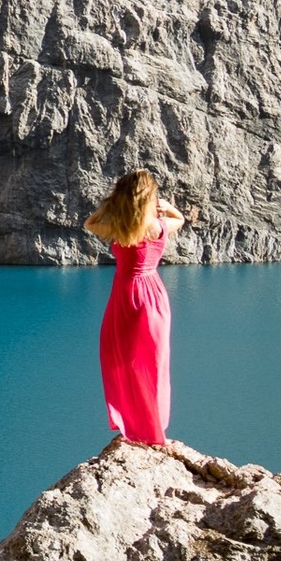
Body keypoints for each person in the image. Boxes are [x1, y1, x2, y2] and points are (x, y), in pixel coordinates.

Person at [84, 168, 185, 445]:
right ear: (150, 197)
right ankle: (152, 427)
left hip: (125, 295)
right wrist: (167, 207)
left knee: (120, 358)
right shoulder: (159, 227)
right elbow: (181, 219)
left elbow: (90, 223)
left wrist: (112, 204)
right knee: (152, 362)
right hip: (152, 296)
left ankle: (134, 424)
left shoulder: (119, 228)